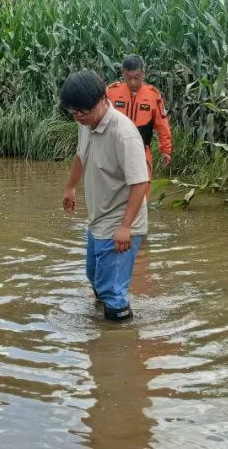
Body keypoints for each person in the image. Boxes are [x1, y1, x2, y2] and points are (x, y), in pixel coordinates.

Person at [60, 69, 149, 322]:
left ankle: (117, 347)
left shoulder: (124, 134)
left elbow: (140, 183)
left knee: (112, 291)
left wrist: (125, 227)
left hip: (120, 222)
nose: (78, 117)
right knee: (94, 278)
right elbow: (81, 156)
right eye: (73, 112)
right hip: (98, 219)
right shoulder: (86, 124)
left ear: (102, 99)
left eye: (83, 111)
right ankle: (103, 327)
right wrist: (70, 187)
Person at [105, 55, 173, 186]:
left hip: (141, 151)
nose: (132, 82)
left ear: (143, 73)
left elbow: (162, 125)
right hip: (114, 151)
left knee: (142, 188)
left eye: (136, 77)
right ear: (123, 73)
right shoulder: (111, 92)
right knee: (113, 190)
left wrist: (166, 150)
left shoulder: (153, 95)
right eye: (128, 77)